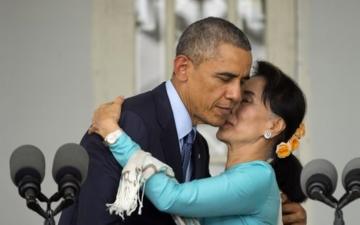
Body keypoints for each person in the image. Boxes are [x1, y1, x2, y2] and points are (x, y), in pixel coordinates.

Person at [58, 17, 307, 225]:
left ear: (275, 125)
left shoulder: (199, 147)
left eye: (242, 84)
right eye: (225, 78)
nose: (235, 95)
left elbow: (177, 201)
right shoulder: (129, 121)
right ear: (183, 68)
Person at [89, 60, 307, 225]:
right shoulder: (220, 168)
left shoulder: (259, 176)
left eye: (247, 99)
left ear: (274, 126)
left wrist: (114, 135)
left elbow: (170, 197)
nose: (233, 103)